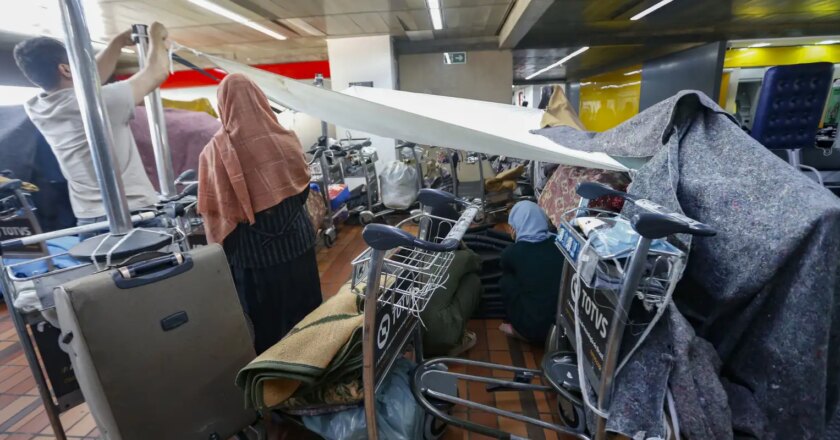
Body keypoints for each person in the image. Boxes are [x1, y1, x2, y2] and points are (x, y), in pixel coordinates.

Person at [198, 73, 322, 354]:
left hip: (255, 257)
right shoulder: (285, 139)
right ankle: (315, 365)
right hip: (298, 244)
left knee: (266, 327)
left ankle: (275, 381)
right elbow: (302, 191)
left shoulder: (214, 152)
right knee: (308, 315)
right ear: (259, 99)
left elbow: (217, 212)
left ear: (223, 104)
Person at [14, 24, 171, 236]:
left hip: (88, 221)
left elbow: (88, 79)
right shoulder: (100, 103)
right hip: (132, 215)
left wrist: (116, 43)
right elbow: (157, 72)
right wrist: (157, 36)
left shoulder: (37, 107)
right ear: (65, 69)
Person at [499, 201, 564, 342]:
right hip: (561, 328)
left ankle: (515, 327)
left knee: (506, 281)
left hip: (532, 329)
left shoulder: (511, 253)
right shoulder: (558, 244)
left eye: (512, 226)